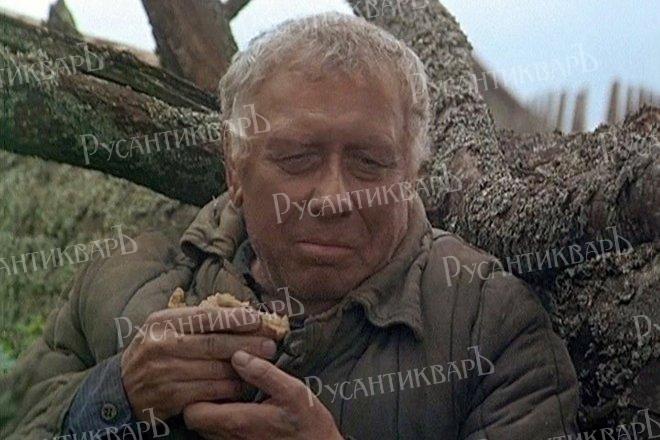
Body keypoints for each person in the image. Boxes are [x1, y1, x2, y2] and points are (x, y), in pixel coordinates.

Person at [1, 12, 579, 439]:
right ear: (235, 168)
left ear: (412, 172)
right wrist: (116, 395)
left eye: (369, 162)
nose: (332, 198)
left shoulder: (490, 327)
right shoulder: (119, 282)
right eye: (298, 158)